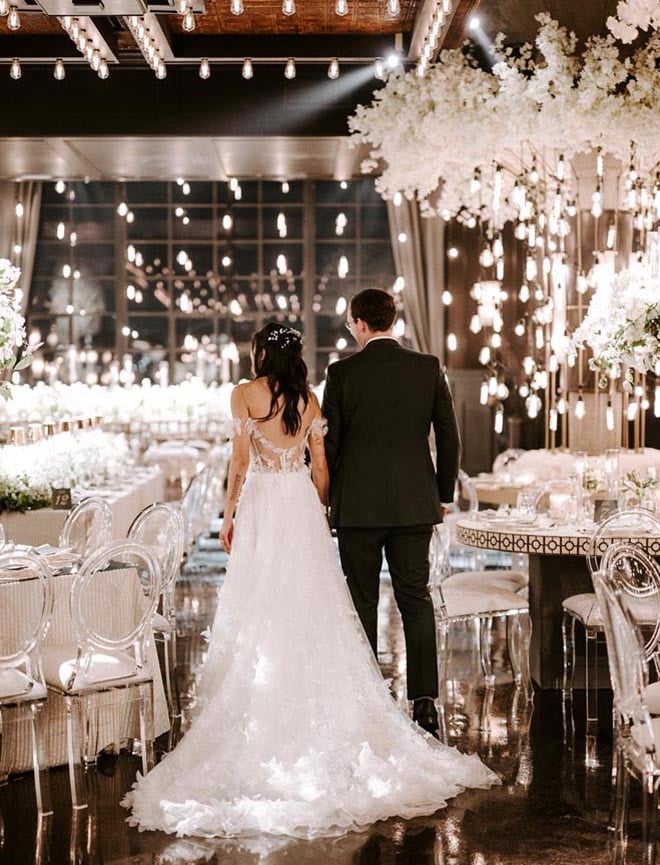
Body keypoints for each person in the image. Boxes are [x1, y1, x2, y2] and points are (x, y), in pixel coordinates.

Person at [123, 321, 497, 839]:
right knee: (316, 602)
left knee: (261, 601)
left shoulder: (244, 395)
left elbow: (238, 463)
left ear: (259, 354)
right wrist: (318, 506)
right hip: (297, 500)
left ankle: (263, 692)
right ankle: (371, 699)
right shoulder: (311, 400)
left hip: (262, 505)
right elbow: (321, 467)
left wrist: (229, 515)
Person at [322, 288, 460, 738]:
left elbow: (330, 444)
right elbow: (450, 439)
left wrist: (326, 497)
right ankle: (424, 703)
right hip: (412, 503)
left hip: (358, 507)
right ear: (392, 320)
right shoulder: (427, 368)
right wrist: (440, 493)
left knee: (361, 600)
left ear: (360, 323)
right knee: (414, 599)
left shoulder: (341, 373)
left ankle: (368, 697)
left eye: (349, 323)